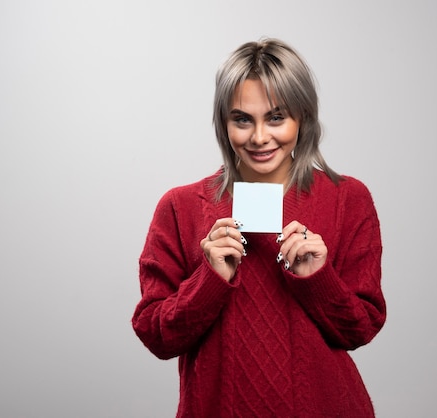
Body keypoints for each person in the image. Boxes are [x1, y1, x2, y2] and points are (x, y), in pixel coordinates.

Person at [132, 38, 386, 417]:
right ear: (224, 122)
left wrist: (318, 277)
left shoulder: (348, 198)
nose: (259, 137)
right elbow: (156, 336)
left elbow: (361, 329)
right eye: (242, 119)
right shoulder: (180, 207)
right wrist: (209, 278)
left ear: (303, 117)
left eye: (277, 117)